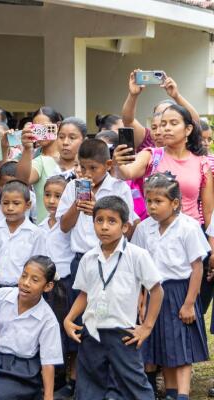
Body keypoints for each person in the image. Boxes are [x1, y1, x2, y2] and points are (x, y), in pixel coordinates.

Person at [64, 196, 163, 400]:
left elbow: (156, 291)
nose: (104, 227)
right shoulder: (88, 258)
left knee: (134, 384)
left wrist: (147, 327)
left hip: (123, 333)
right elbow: (84, 293)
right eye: (99, 220)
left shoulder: (137, 255)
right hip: (92, 332)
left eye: (112, 221)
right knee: (89, 387)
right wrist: (69, 318)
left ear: (125, 226)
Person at [132, 173, 210, 400]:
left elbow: (197, 268)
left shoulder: (188, 227)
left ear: (175, 203)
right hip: (154, 291)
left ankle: (183, 394)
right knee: (163, 345)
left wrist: (189, 303)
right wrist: (142, 300)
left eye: (158, 201)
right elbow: (140, 268)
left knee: (181, 345)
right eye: (149, 201)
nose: (152, 206)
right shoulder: (144, 228)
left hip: (180, 292)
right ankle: (171, 392)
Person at [0, 256, 64, 400]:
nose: (25, 283)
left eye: (34, 280)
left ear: (48, 286)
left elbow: (48, 362)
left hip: (23, 371)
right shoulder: (1, 297)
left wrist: (48, 396)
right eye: (24, 276)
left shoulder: (48, 319)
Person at [113, 104, 214, 227]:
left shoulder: (202, 163)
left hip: (190, 234)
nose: (166, 128)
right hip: (155, 233)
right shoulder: (151, 155)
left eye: (173, 123)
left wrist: (211, 239)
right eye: (163, 124)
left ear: (188, 129)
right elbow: (127, 174)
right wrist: (118, 163)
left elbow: (209, 212)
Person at [57, 139, 135, 288]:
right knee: (79, 301)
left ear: (108, 165)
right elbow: (64, 227)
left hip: (109, 258)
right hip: (80, 259)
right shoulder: (72, 187)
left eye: (93, 168)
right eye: (83, 167)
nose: (87, 173)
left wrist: (97, 211)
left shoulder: (119, 188)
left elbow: (128, 230)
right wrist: (77, 204)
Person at [38, 175, 75, 393]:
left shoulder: (70, 225)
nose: (52, 201)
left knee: (68, 330)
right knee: (51, 331)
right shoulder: (39, 226)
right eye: (48, 195)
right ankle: (56, 377)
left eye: (58, 196)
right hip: (46, 287)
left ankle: (72, 378)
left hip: (66, 284)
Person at [0, 180, 46, 292]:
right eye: (5, 203)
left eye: (16, 203)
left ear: (28, 205)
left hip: (23, 289)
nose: (10, 208)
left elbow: (38, 266)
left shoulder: (35, 233)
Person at [122, 70, 200, 150]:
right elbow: (128, 121)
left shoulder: (184, 144)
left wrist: (176, 96)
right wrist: (133, 95)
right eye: (154, 127)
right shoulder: (147, 145)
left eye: (172, 122)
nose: (158, 132)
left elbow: (195, 121)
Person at [16, 107, 64, 223]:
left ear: (57, 126)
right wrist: (27, 148)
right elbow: (23, 180)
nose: (41, 132)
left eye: (45, 127)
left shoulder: (73, 158)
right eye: (37, 129)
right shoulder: (38, 160)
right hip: (45, 227)